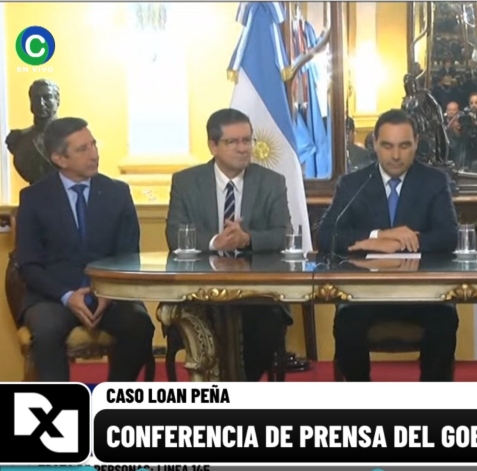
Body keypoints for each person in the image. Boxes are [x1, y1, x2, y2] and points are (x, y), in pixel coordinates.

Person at [317, 108, 459, 381]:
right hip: (366, 293)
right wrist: (377, 237)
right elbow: (326, 236)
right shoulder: (353, 183)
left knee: (444, 320)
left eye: (404, 146)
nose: (395, 155)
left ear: (416, 143)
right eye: (387, 146)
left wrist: (401, 242)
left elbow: (448, 236)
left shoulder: (433, 181)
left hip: (422, 294)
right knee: (347, 323)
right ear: (374, 144)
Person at [15, 117, 155, 381]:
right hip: (53, 296)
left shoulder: (117, 193)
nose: (94, 154)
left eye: (93, 144)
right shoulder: (34, 198)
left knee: (140, 326)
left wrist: (107, 292)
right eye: (83, 149)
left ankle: (113, 396)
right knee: (46, 331)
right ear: (59, 158)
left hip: (110, 293)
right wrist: (67, 296)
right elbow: (29, 264)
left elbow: (128, 255)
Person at [165, 108, 294, 381]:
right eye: (233, 142)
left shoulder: (271, 182)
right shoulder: (186, 182)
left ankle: (239, 389)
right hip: (200, 289)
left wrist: (247, 238)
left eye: (247, 140)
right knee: (198, 320)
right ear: (213, 146)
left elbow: (285, 234)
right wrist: (215, 241)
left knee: (268, 322)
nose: (243, 148)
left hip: (256, 291)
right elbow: (174, 234)